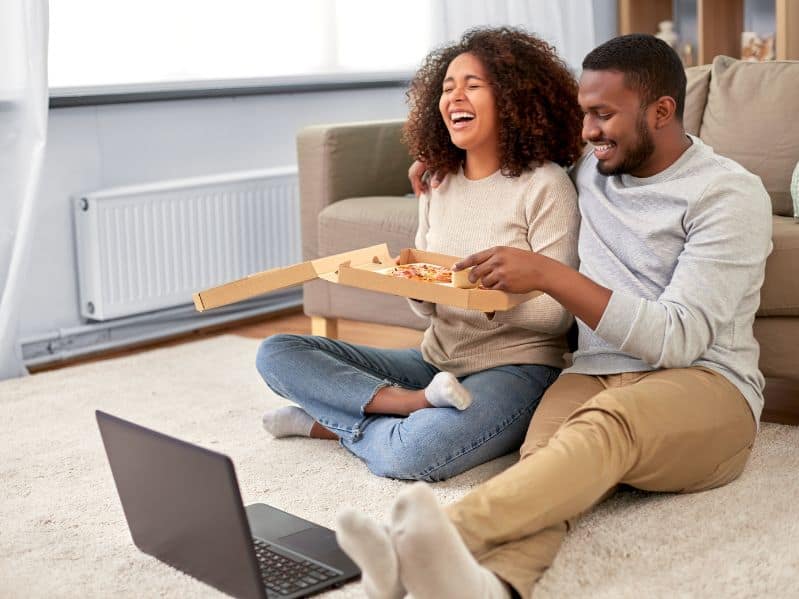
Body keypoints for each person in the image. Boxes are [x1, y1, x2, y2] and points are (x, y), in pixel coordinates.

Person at [333, 34, 773, 598]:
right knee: (544, 471)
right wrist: (436, 161)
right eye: (584, 114)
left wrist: (548, 275)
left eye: (602, 115)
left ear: (662, 111)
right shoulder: (593, 167)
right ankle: (492, 586)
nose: (588, 133)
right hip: (592, 372)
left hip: (707, 385)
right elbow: (510, 150)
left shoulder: (727, 194)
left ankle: (418, 545)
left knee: (603, 427)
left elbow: (678, 339)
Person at [255, 26, 584, 481]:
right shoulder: (437, 183)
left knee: (411, 454)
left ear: (513, 99)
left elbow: (556, 317)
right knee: (276, 352)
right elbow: (426, 307)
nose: (454, 98)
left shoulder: (546, 186)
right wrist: (414, 284)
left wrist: (485, 298)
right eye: (447, 88)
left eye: (472, 85)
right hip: (434, 364)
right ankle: (409, 403)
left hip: (517, 369)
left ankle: (324, 424)